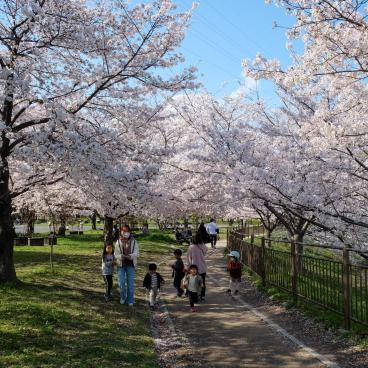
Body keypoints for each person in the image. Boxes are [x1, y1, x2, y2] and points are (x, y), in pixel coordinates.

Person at [114, 224, 139, 306]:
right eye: (124, 231)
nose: (126, 233)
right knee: (121, 283)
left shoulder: (134, 241)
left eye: (127, 231)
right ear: (121, 232)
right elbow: (116, 254)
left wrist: (130, 256)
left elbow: (137, 253)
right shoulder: (118, 241)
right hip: (121, 264)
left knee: (130, 283)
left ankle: (130, 299)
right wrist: (121, 256)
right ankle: (122, 297)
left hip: (131, 264)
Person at [187, 232, 207, 301]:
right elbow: (205, 251)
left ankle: (195, 295)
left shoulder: (191, 247)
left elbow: (189, 259)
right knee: (202, 282)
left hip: (194, 269)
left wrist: (188, 268)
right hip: (202, 267)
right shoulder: (203, 246)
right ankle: (202, 295)